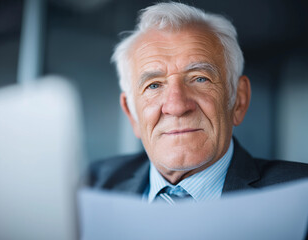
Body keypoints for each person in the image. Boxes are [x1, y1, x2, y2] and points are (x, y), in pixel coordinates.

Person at [88, 2, 308, 203]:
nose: (176, 106)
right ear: (131, 113)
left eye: (200, 78)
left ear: (239, 100)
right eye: (154, 85)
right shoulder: (90, 187)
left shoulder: (300, 194)